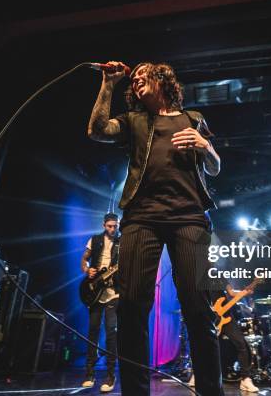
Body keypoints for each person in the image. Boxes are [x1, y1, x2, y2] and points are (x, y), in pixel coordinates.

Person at [87, 61, 223, 395]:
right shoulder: (133, 121)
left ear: (162, 79)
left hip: (188, 217)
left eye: (141, 74)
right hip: (141, 218)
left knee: (197, 308)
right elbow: (97, 130)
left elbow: (216, 168)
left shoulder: (193, 119)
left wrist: (206, 147)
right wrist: (109, 83)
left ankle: (211, 391)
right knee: (131, 306)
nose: (135, 80)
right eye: (133, 80)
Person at [80, 213, 120, 392]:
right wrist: (87, 270)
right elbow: (84, 259)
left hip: (114, 293)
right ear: (104, 225)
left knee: (112, 333)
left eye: (115, 226)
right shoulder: (94, 240)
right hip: (95, 291)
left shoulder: (122, 243)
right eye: (109, 226)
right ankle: (89, 374)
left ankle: (110, 377)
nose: (112, 229)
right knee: (93, 332)